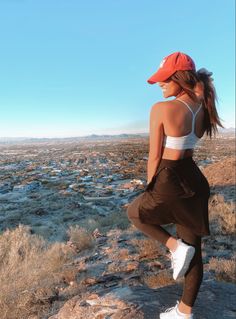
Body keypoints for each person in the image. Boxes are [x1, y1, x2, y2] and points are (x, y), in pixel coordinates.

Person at [127, 52, 223, 319]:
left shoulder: (161, 109)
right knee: (195, 250)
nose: (160, 84)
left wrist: (150, 186)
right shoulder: (203, 107)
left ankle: (174, 247)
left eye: (165, 79)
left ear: (180, 78)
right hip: (193, 178)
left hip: (168, 176)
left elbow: (155, 156)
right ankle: (184, 312)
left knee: (135, 213)